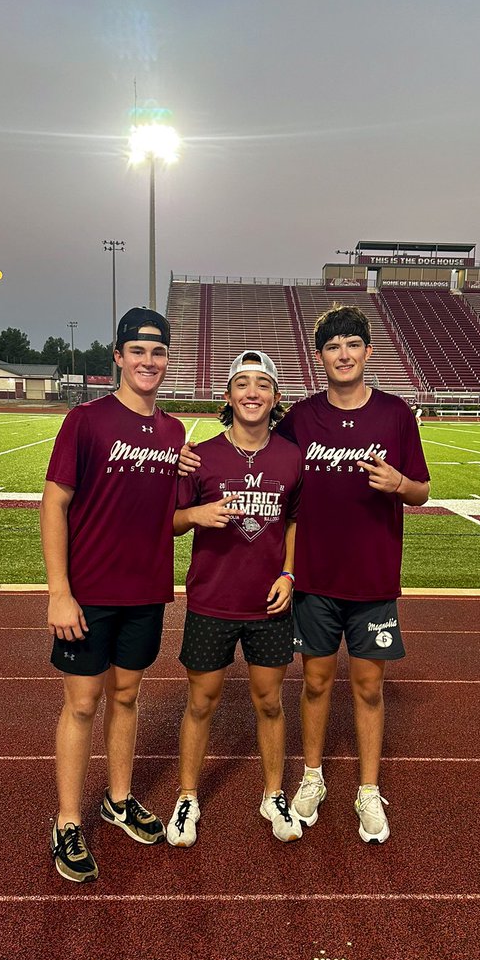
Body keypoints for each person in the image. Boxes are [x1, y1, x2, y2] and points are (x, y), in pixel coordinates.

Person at [263, 305, 430, 843]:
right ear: (320, 357)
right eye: (333, 347)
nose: (343, 355)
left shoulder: (396, 415)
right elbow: (263, 460)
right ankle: (312, 777)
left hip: (373, 576)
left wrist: (399, 482)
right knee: (314, 682)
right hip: (314, 576)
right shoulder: (301, 419)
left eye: (352, 345)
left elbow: (422, 491)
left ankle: (367, 788)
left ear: (368, 352)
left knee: (369, 685)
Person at [41, 307, 184, 883]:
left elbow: (164, 509)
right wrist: (59, 591)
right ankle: (68, 820)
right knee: (81, 704)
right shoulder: (87, 421)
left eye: (158, 352)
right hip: (89, 593)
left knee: (127, 698)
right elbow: (55, 502)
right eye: (138, 351)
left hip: (146, 591)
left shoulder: (174, 432)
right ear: (119, 357)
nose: (148, 361)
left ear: (166, 360)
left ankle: (118, 801)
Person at [167, 351, 303, 848]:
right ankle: (187, 797)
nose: (252, 393)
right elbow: (173, 522)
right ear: (227, 396)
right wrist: (196, 515)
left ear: (274, 397)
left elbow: (292, 520)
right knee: (201, 702)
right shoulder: (201, 455)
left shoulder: (290, 456)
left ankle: (273, 794)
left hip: (268, 603)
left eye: (262, 384)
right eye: (242, 384)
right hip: (212, 600)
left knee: (270, 701)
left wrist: (289, 573)